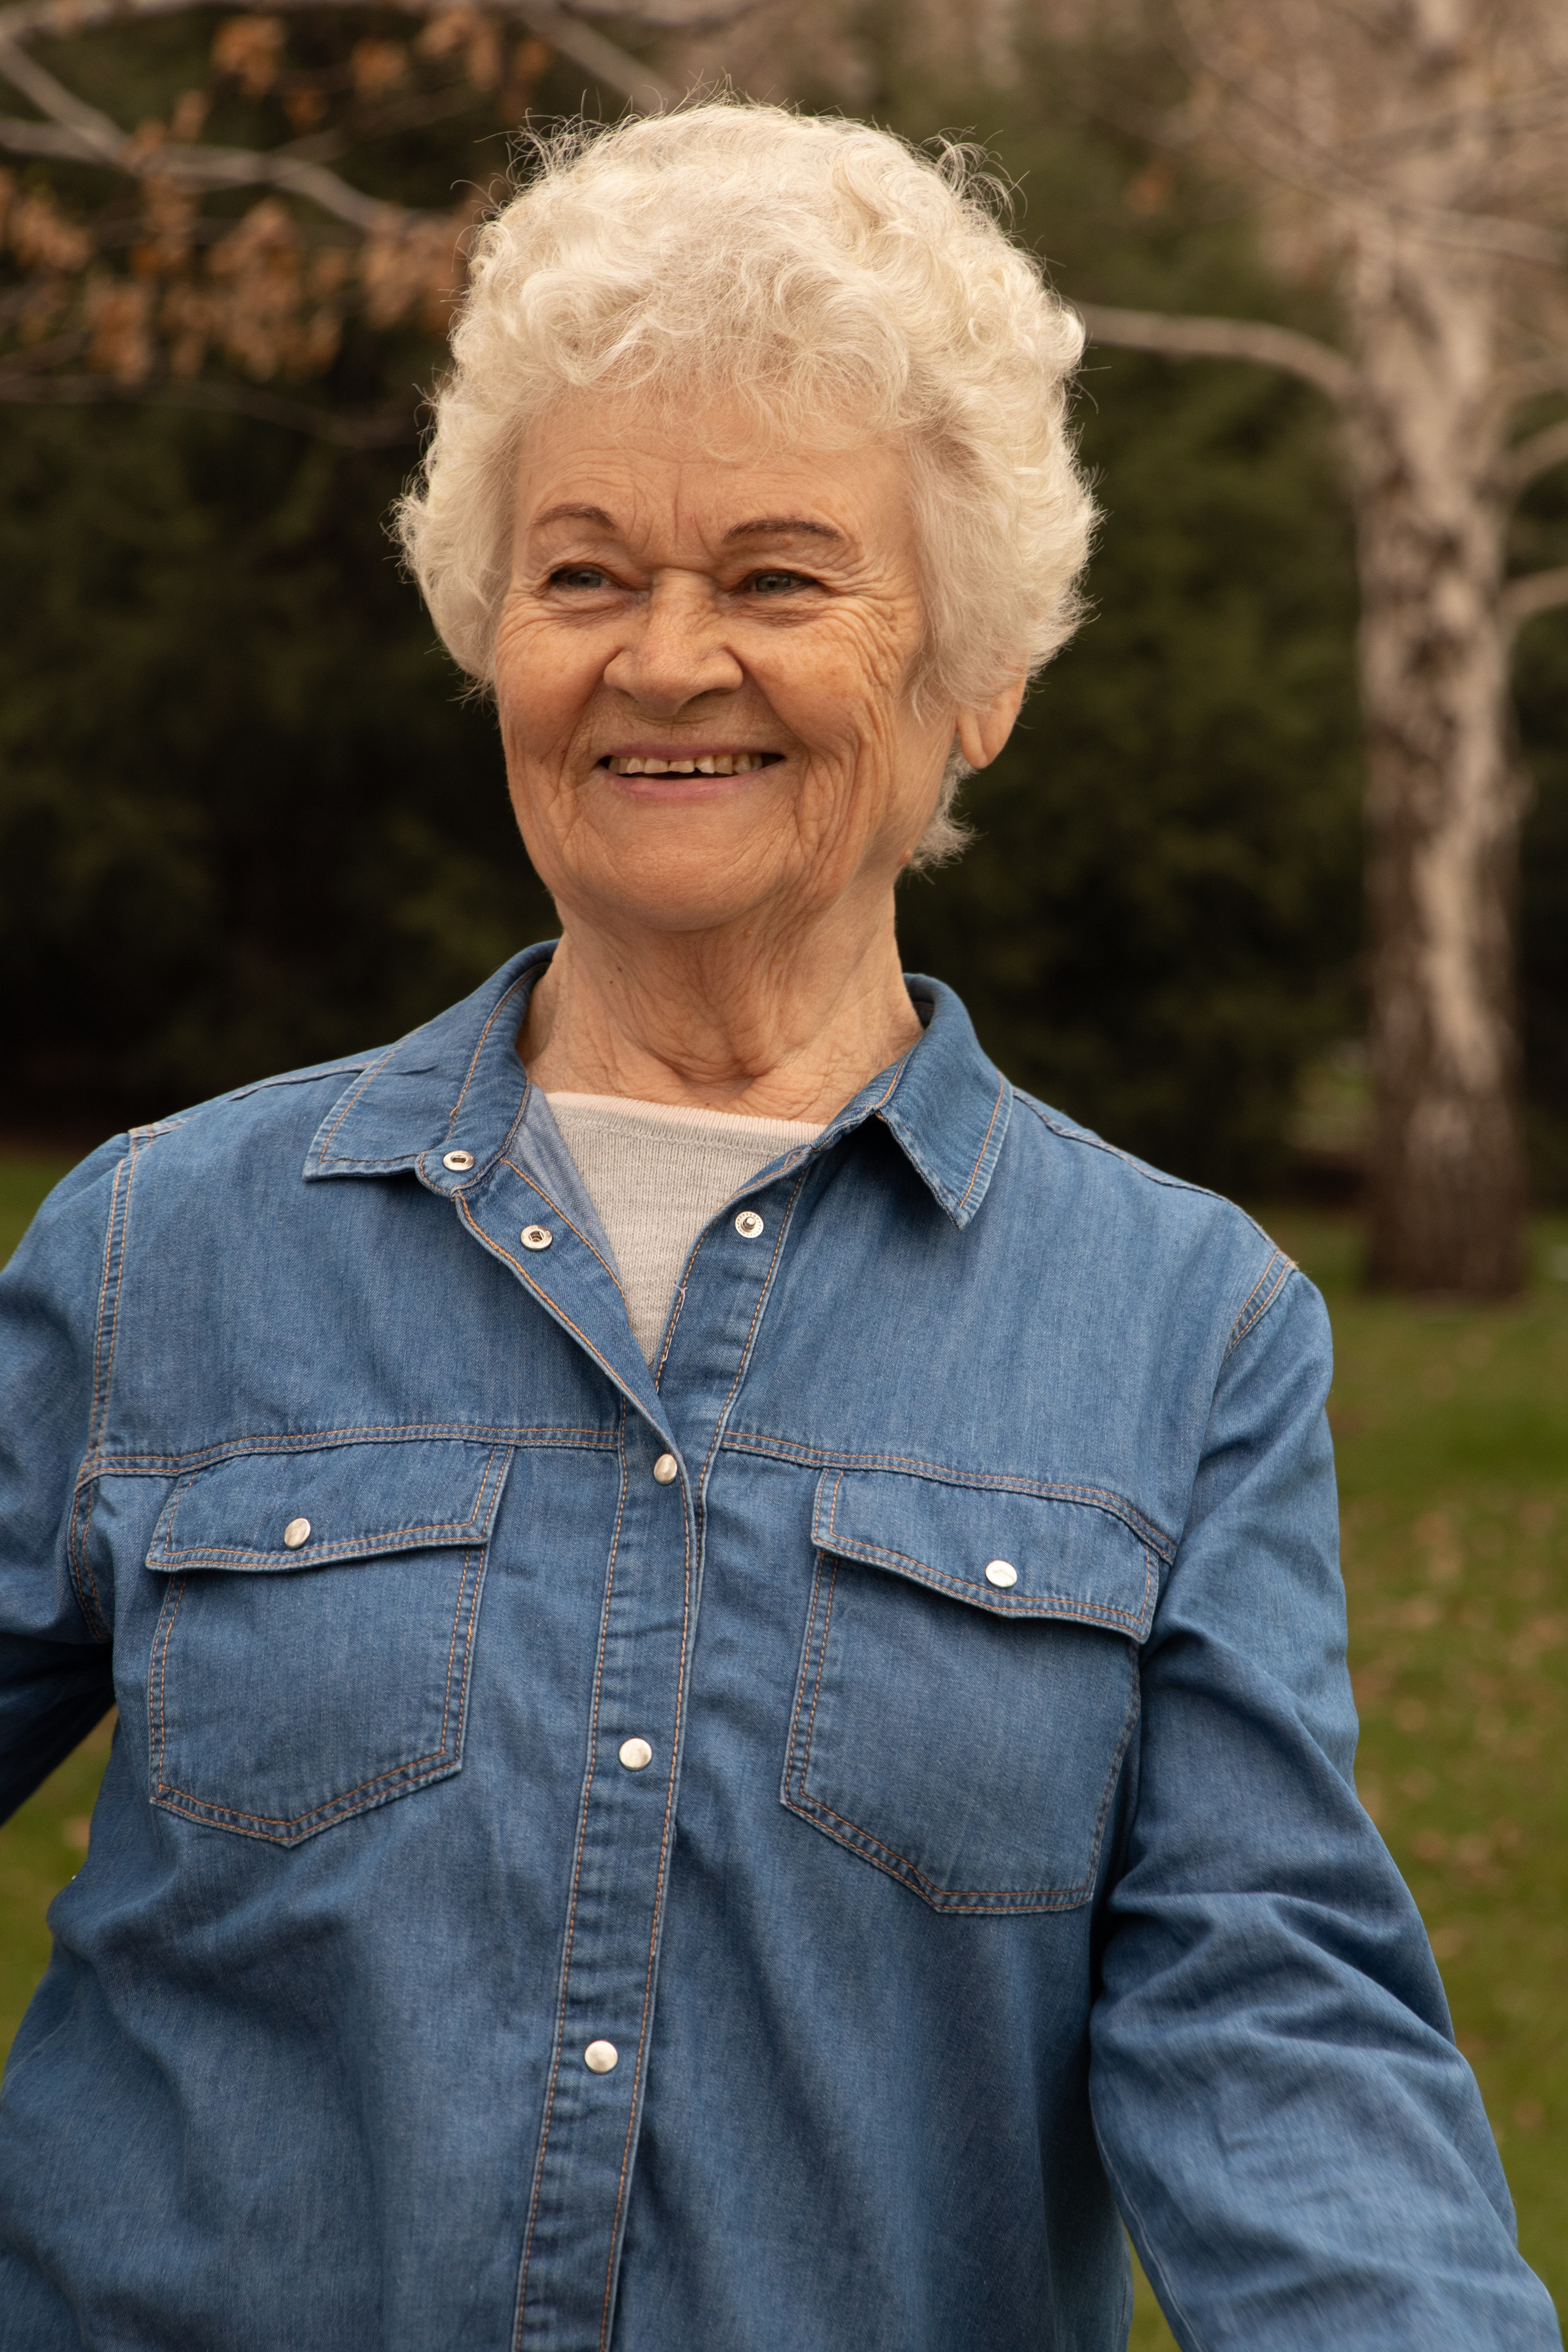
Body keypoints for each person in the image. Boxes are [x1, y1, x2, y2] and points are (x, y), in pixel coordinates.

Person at [0, 100, 1557, 2352]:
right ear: (490, 632)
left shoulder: (1185, 1331)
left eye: (777, 579)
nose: (664, 659)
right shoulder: (165, 1248)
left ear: (977, 677)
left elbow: (1274, 2026)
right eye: (585, 574)